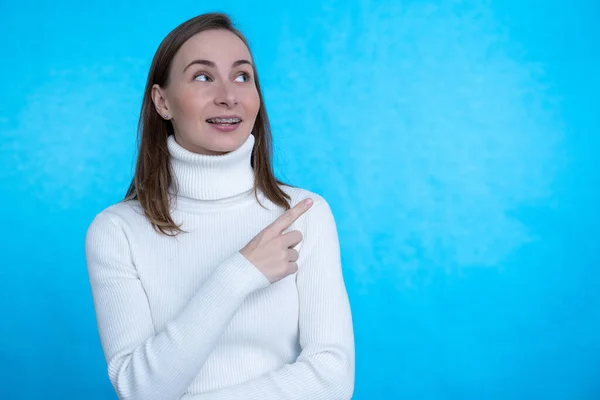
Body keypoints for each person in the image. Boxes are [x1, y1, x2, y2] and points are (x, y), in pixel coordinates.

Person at [84, 12, 354, 400]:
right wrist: (239, 273)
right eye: (203, 77)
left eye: (242, 76)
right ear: (162, 101)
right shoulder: (117, 231)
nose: (229, 95)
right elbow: (141, 390)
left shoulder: (304, 214)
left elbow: (333, 377)